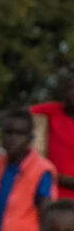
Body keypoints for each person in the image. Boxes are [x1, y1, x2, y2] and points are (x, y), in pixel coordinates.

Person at [32, 71, 74, 201]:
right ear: (63, 91)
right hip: (49, 194)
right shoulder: (53, 110)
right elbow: (17, 116)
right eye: (70, 87)